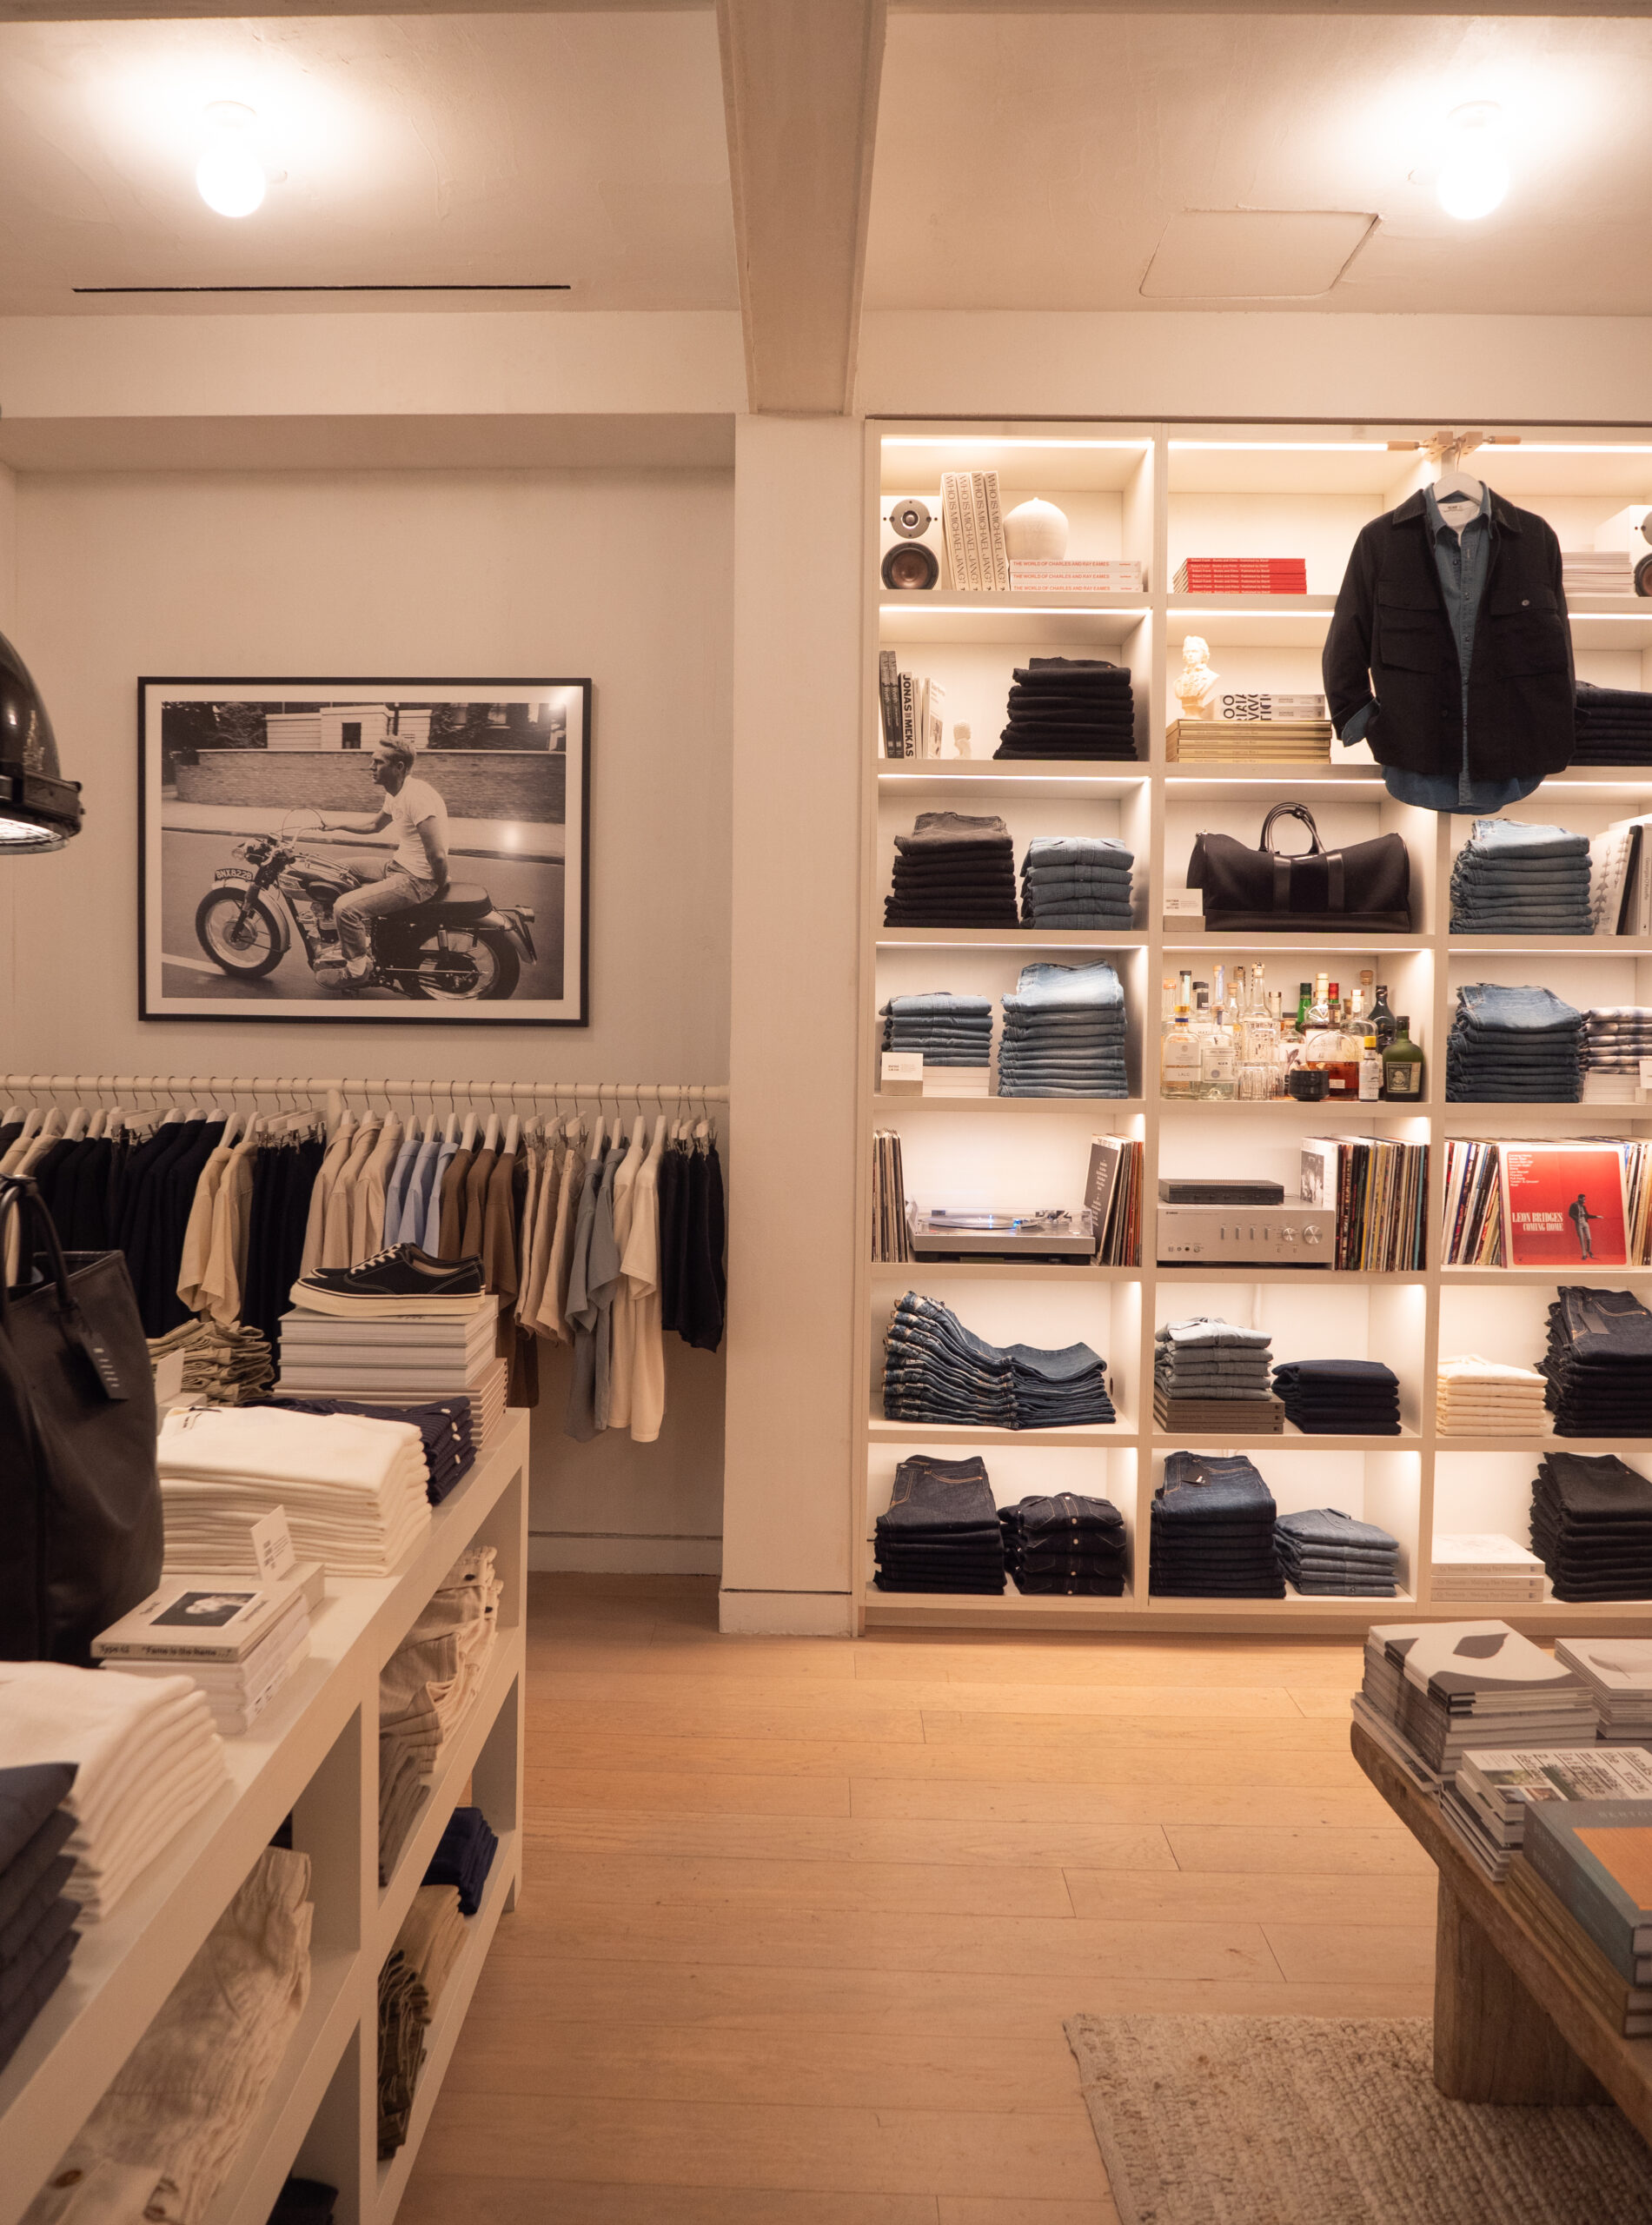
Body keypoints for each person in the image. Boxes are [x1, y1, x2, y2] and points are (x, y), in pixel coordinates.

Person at [320, 739, 450, 987]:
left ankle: (357, 971)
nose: (371, 767)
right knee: (333, 870)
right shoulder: (396, 793)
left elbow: (438, 855)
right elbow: (373, 825)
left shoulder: (417, 798)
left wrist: (439, 885)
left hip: (417, 879)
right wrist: (338, 824)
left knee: (345, 908)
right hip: (399, 865)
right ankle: (354, 937)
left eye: (378, 762)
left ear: (399, 767)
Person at [1568, 1192, 1604, 1261]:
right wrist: (1576, 1218)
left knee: (1589, 1238)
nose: (1584, 1201)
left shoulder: (1584, 1207)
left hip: (1585, 1223)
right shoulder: (1574, 1205)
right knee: (1581, 1239)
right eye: (1583, 1199)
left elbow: (1588, 1215)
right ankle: (1584, 1255)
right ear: (1579, 1199)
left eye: (1585, 1199)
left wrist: (1597, 1216)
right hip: (1579, 1224)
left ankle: (1589, 1251)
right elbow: (1570, 1214)